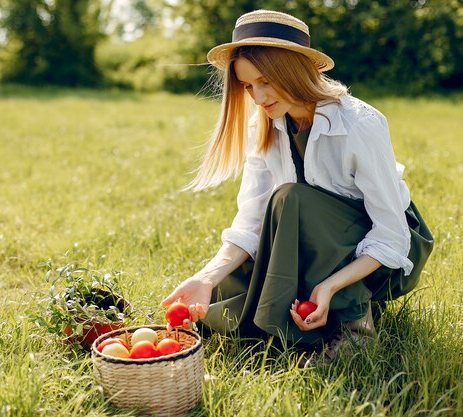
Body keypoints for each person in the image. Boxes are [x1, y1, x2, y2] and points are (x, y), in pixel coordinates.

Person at [161, 10, 433, 360]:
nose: (257, 98)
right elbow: (253, 221)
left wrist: (329, 286)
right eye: (248, 86)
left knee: (292, 199)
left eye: (265, 81)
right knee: (230, 295)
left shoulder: (359, 124)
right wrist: (207, 277)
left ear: (291, 70)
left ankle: (356, 331)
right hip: (314, 234)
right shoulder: (264, 126)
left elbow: (392, 234)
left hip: (390, 250)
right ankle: (299, 317)